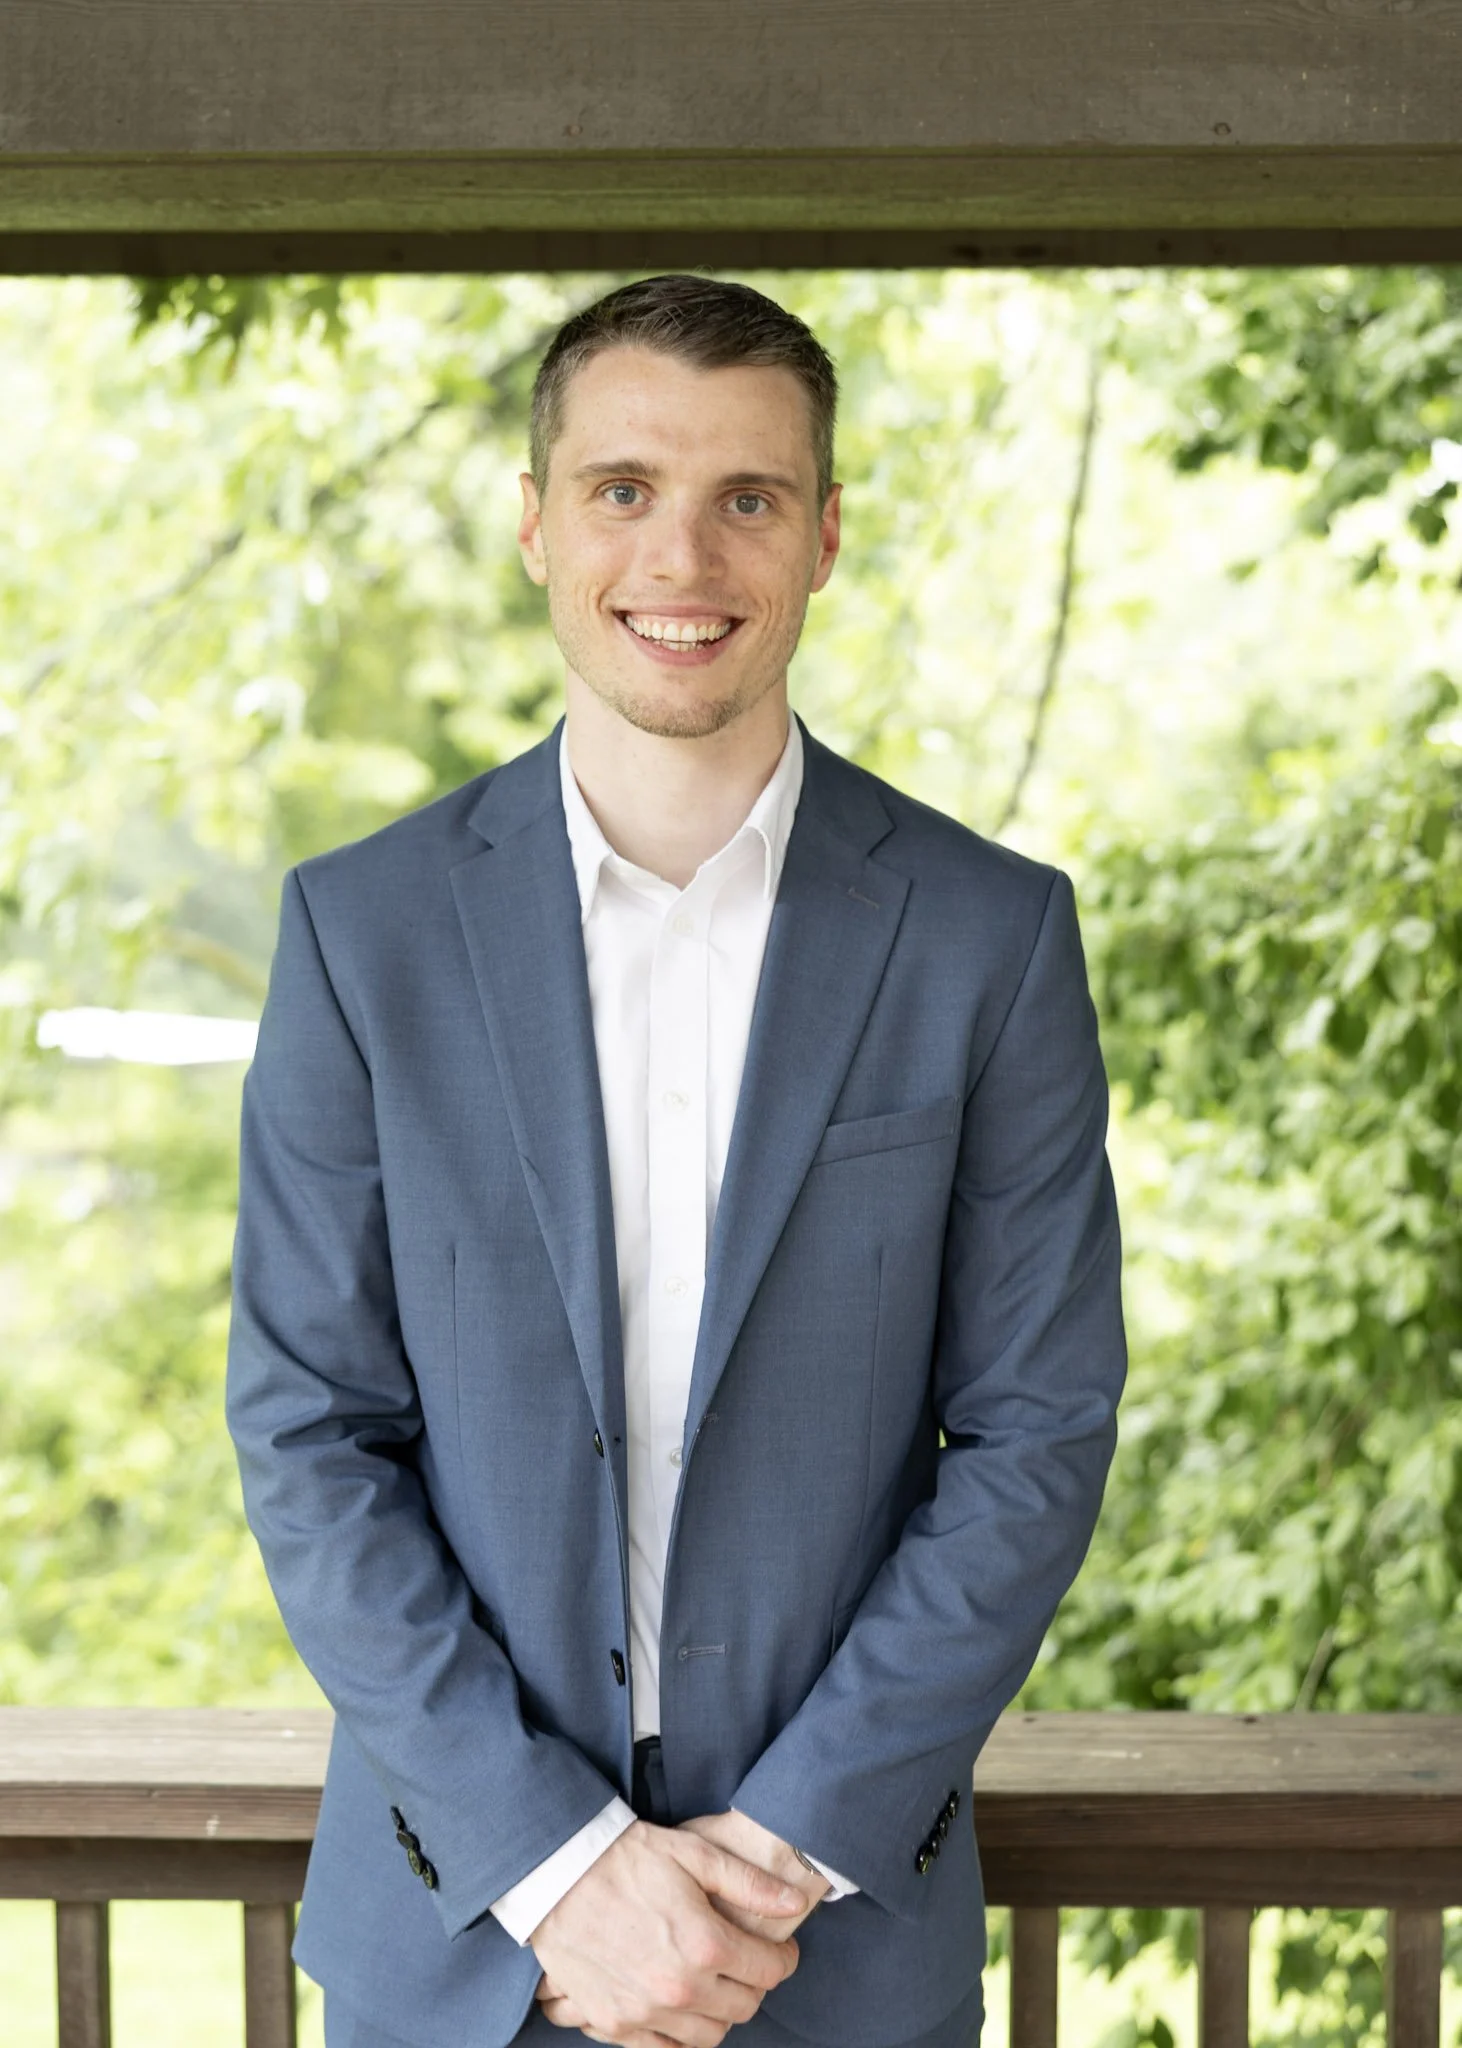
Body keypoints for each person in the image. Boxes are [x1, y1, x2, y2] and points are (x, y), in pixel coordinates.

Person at [226, 272, 1126, 2048]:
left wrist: (774, 1854)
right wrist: (563, 1866)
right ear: (537, 528)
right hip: (461, 1929)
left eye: (747, 498)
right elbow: (310, 1432)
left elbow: (1034, 1433)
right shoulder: (361, 933)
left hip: (834, 1939)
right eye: (623, 489)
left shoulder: (988, 935)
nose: (682, 558)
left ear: (824, 537)